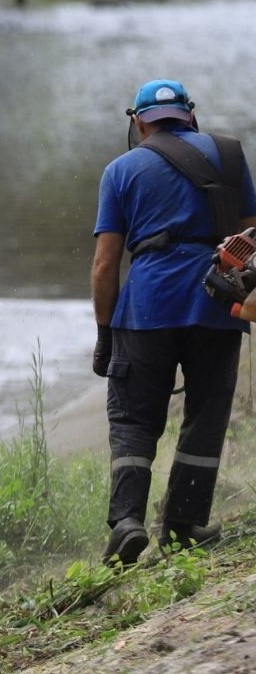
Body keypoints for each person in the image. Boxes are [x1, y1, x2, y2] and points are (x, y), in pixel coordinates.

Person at [91, 79, 256, 566]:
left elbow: (105, 264)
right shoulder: (229, 155)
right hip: (216, 304)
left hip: (147, 307)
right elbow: (251, 235)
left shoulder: (121, 169)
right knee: (205, 413)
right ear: (191, 115)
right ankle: (182, 526)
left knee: (133, 417)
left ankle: (126, 523)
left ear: (137, 121)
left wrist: (104, 333)